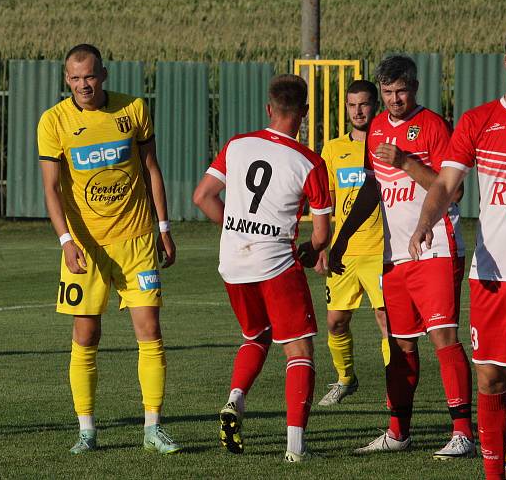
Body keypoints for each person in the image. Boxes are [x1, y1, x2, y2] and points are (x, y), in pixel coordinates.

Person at [37, 43, 180, 454]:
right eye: (75, 77)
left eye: (90, 76)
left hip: (136, 240)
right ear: (67, 79)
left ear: (104, 74)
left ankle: (153, 427)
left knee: (150, 331)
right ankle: (86, 430)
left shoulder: (132, 109)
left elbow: (152, 169)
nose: (83, 84)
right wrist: (65, 240)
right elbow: (50, 188)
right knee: (86, 334)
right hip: (85, 247)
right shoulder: (54, 122)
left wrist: (163, 227)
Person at [328, 55, 473, 459]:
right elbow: (372, 189)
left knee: (443, 336)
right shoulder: (375, 129)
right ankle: (398, 432)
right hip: (394, 253)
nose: (394, 99)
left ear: (415, 87)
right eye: (388, 92)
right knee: (400, 344)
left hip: (436, 247)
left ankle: (463, 432)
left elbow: (453, 192)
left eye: (401, 91)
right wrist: (341, 240)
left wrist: (407, 162)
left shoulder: (433, 126)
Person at [193, 74, 332, 462]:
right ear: (303, 113)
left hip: (233, 263)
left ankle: (235, 399)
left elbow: (202, 196)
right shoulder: (310, 162)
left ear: (269, 109)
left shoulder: (238, 145)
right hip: (276, 264)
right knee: (299, 348)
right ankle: (296, 448)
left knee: (256, 335)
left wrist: (239, 230)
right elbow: (321, 236)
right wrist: (306, 250)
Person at [409, 23, 506, 480]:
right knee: (491, 380)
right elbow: (445, 186)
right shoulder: (478, 121)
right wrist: (424, 222)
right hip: (495, 275)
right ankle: (497, 472)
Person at [314, 80, 388, 406]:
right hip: (343, 252)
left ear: (376, 106)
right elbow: (325, 204)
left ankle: (396, 388)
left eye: (364, 104)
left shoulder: (387, 145)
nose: (358, 111)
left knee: (386, 318)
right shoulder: (332, 149)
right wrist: (321, 247)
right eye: (352, 104)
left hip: (381, 248)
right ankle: (346, 379)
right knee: (335, 321)